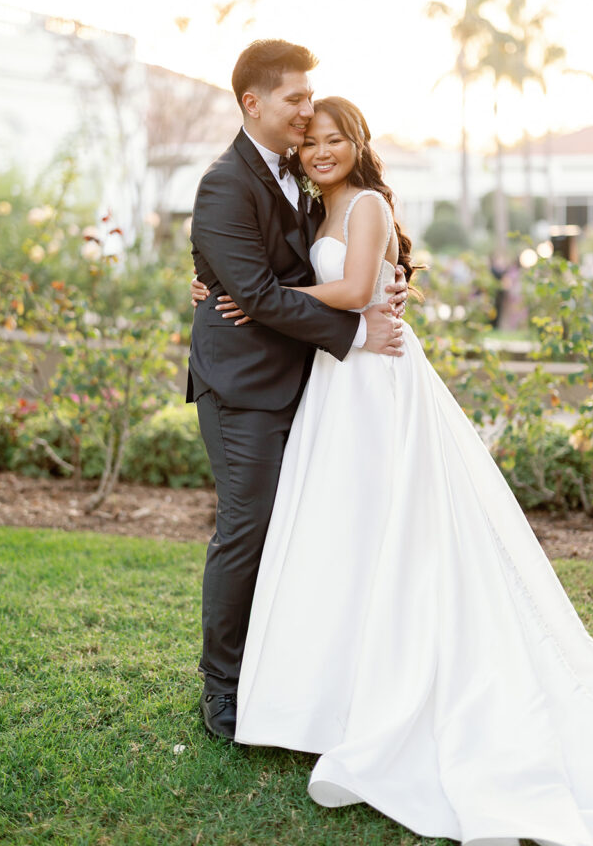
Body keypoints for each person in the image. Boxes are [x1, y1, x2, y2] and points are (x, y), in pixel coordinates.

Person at [194, 96, 593, 845]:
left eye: (334, 139)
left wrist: (254, 302)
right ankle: (331, 691)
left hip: (374, 380)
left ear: (358, 142)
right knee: (340, 532)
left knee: (395, 527)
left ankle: (397, 686)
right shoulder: (314, 213)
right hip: (335, 380)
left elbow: (352, 294)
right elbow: (269, 269)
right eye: (310, 142)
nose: (320, 151)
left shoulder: (371, 206)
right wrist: (218, 285)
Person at [187, 41, 408, 741]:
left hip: (305, 385)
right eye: (296, 101)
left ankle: (283, 671)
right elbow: (251, 291)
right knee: (246, 534)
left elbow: (327, 258)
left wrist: (390, 283)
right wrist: (353, 333)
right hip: (244, 388)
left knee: (301, 533)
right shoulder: (225, 182)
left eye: (311, 101)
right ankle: (221, 689)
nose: (307, 114)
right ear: (253, 102)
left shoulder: (297, 175)